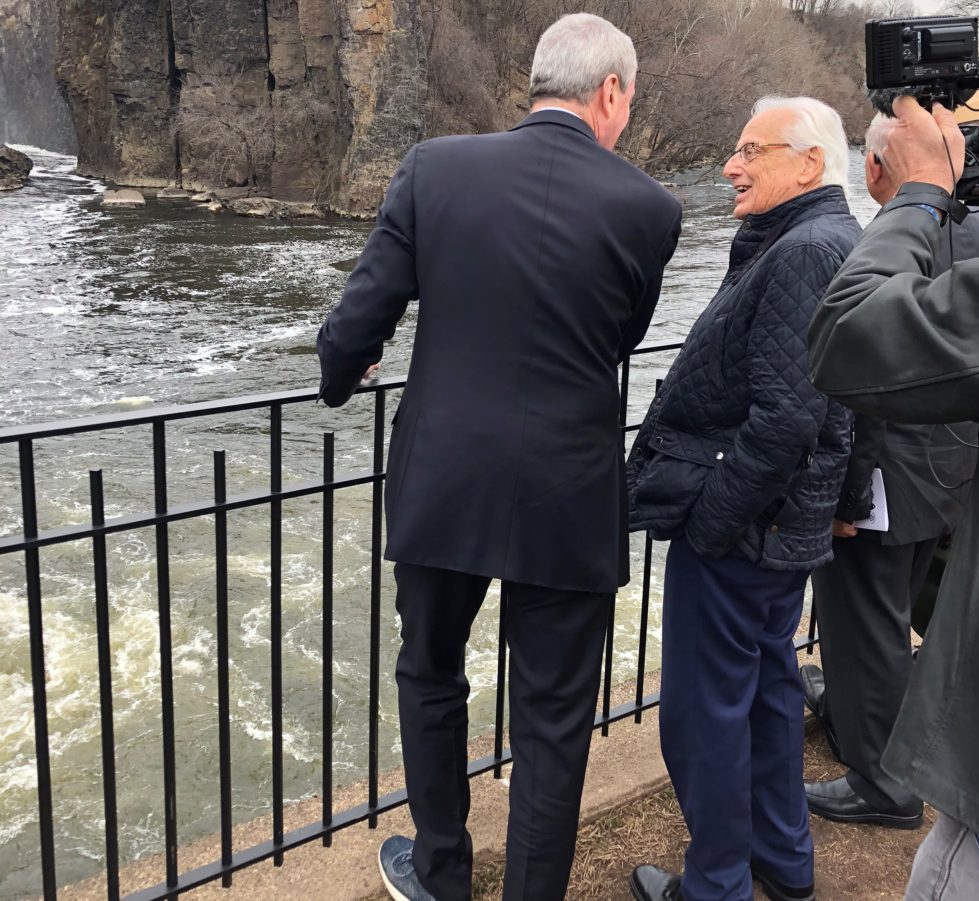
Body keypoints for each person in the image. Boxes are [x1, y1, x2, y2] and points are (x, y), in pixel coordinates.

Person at [316, 13, 682, 901]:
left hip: (446, 480)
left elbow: (357, 322)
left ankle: (441, 871)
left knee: (429, 670)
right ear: (609, 93)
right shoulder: (651, 209)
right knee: (554, 720)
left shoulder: (435, 167)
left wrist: (342, 373)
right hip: (569, 489)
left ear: (538, 80)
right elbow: (618, 339)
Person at [625, 96, 860, 901]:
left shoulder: (801, 251)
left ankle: (717, 884)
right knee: (764, 690)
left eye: (750, 151)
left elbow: (789, 416)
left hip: (746, 531)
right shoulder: (824, 238)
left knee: (704, 715)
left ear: (808, 164)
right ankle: (784, 861)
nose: (731, 165)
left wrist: (714, 520)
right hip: (780, 529)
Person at [807, 94, 979, 901]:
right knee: (888, 624)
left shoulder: (916, 228)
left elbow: (856, 346)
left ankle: (883, 782)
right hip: (948, 475)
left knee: (868, 630)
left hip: (897, 475)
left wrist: (921, 194)